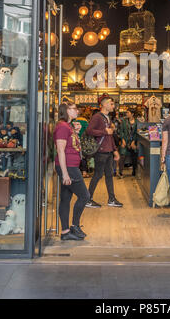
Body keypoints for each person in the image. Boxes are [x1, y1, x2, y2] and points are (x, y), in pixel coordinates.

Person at [53, 101, 90, 241]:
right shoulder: (62, 127)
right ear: (66, 111)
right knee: (85, 196)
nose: (77, 111)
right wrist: (65, 173)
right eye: (74, 109)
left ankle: (65, 231)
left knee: (66, 198)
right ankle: (74, 226)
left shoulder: (68, 126)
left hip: (69, 166)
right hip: (68, 167)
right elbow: (60, 150)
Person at [86, 95, 123, 208]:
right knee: (97, 175)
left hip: (108, 151)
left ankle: (111, 199)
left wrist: (115, 150)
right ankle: (88, 199)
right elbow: (89, 130)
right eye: (111, 104)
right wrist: (104, 131)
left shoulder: (107, 117)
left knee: (109, 175)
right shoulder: (97, 117)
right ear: (105, 104)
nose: (113, 106)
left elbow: (110, 136)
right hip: (101, 151)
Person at [119, 108, 138, 178]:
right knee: (122, 155)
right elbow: (121, 131)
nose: (126, 114)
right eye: (126, 112)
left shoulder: (136, 122)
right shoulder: (124, 121)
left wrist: (133, 142)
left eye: (128, 112)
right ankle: (120, 172)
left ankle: (134, 171)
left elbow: (136, 133)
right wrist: (123, 140)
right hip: (125, 141)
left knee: (134, 156)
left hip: (133, 141)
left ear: (132, 114)